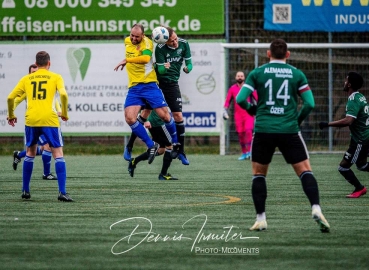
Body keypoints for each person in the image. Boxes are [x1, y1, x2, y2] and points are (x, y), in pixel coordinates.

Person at [236, 39, 330, 233]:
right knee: (305, 170)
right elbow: (310, 104)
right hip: (289, 130)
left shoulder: (257, 73)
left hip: (263, 130)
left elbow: (239, 99)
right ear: (288, 55)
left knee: (259, 174)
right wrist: (297, 120)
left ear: (268, 54)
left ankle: (261, 219)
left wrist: (253, 110)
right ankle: (316, 208)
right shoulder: (297, 74)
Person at [7, 51, 73, 202]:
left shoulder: (26, 79)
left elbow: (10, 97)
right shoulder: (56, 77)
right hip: (50, 120)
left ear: (35, 64)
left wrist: (11, 115)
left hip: (32, 120)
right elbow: (63, 95)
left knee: (30, 153)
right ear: (49, 63)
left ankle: (25, 190)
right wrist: (65, 113)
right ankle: (62, 192)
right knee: (58, 154)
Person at [123, 26, 192, 166]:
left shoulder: (181, 44)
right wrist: (162, 67)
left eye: (175, 39)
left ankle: (180, 149)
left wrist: (187, 68)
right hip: (148, 84)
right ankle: (131, 145)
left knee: (174, 116)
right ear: (164, 41)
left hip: (166, 85)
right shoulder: (158, 48)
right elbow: (159, 69)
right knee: (140, 115)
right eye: (171, 41)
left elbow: (189, 63)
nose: (175, 43)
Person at [114, 23, 178, 165]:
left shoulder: (148, 43)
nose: (133, 38)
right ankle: (150, 145)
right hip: (134, 88)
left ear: (143, 35)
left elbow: (144, 59)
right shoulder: (127, 41)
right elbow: (133, 48)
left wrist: (127, 60)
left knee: (165, 116)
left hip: (149, 85)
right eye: (132, 35)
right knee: (130, 118)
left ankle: (175, 142)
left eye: (137, 36)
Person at [319, 71, 368, 198]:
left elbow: (348, 121)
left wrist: (327, 124)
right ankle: (359, 188)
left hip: (360, 140)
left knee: (343, 168)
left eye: (346, 80)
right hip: (362, 137)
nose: (344, 83)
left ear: (350, 84)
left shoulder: (353, 99)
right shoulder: (360, 97)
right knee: (362, 165)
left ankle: (359, 188)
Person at [12, 64, 58, 180]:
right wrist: (11, 112)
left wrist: (60, 111)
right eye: (32, 72)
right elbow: (16, 100)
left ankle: (19, 154)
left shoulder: (45, 86)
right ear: (29, 74)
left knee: (42, 149)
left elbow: (54, 99)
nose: (35, 74)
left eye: (36, 72)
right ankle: (46, 174)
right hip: (34, 123)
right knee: (47, 147)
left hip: (46, 121)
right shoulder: (27, 87)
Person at [128, 109, 178, 180]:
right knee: (170, 146)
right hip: (158, 122)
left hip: (155, 121)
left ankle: (134, 161)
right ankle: (163, 174)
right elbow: (143, 105)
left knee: (161, 150)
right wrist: (146, 120)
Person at [223, 71, 256, 160]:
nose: (240, 77)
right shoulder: (232, 89)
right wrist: (225, 110)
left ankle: (250, 152)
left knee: (248, 131)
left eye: (241, 76)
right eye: (238, 76)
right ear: (236, 78)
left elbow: (257, 98)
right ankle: (244, 153)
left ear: (244, 77)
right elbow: (227, 101)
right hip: (238, 115)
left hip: (248, 113)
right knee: (241, 134)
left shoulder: (248, 88)